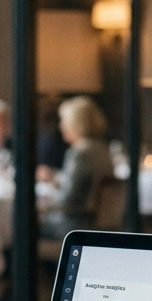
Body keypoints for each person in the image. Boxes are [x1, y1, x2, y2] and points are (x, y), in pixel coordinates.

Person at [38, 95, 114, 240]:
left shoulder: (79, 152)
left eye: (64, 121)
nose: (61, 126)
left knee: (20, 225)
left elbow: (67, 199)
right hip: (99, 224)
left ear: (75, 123)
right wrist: (55, 178)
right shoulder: (103, 149)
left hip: (73, 226)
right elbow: (82, 185)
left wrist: (42, 204)